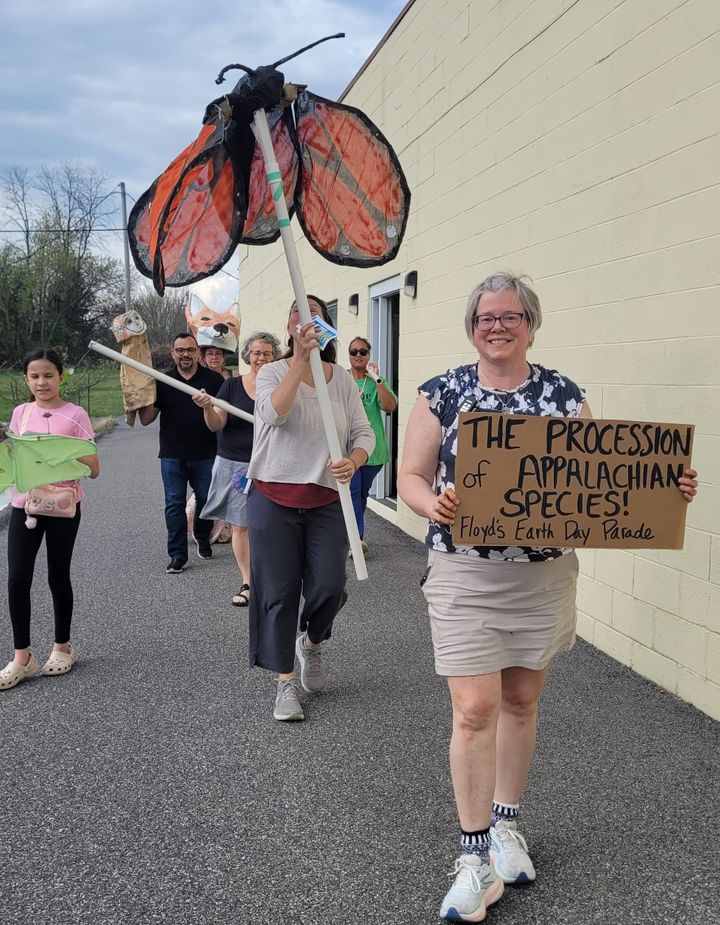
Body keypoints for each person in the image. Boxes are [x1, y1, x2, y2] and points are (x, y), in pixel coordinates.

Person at [397, 272, 698, 922]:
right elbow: (411, 477)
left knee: (521, 699)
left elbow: (603, 478)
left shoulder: (562, 394)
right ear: (471, 326)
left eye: (510, 315)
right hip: (466, 573)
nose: (497, 325)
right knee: (474, 708)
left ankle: (507, 824)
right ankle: (473, 856)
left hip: (542, 575)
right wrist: (436, 503)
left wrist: (661, 486)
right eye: (485, 316)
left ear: (531, 322)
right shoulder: (442, 392)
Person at [246, 295, 375, 722]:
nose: (305, 320)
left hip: (326, 499)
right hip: (273, 496)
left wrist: (353, 461)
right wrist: (299, 360)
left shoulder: (341, 380)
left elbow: (364, 434)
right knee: (279, 592)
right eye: (297, 314)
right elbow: (272, 414)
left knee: (330, 586)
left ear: (327, 326)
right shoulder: (272, 372)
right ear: (289, 326)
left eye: (314, 315)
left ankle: (312, 643)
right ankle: (284, 682)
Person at [0, 348, 100, 691]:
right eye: (34, 376)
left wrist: (57, 453)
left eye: (48, 375)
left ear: (60, 377)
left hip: (62, 506)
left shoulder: (76, 415)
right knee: (17, 579)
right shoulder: (20, 414)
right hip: (25, 505)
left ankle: (62, 646)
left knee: (58, 574)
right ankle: (22, 657)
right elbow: (15, 462)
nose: (41, 382)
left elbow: (93, 467)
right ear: (26, 379)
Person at [194, 331, 282, 607]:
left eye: (267, 353)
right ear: (247, 356)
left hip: (271, 463)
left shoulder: (280, 388)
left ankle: (272, 578)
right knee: (241, 526)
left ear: (275, 357)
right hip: (235, 465)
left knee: (270, 525)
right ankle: (248, 582)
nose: (261, 358)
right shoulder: (231, 387)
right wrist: (208, 408)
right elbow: (215, 424)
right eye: (256, 352)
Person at [139, 332, 224, 573]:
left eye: (190, 349)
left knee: (207, 500)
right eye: (180, 350)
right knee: (174, 504)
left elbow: (222, 416)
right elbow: (147, 419)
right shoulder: (161, 381)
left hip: (206, 452)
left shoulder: (214, 380)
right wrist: (136, 399)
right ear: (172, 353)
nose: (185, 354)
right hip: (172, 454)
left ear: (198, 353)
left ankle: (202, 535)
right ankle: (177, 554)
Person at [347, 337, 398, 552]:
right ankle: (355, 540)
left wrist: (377, 379)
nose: (358, 355)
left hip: (374, 451)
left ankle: (352, 535)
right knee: (352, 492)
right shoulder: (343, 379)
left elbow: (390, 406)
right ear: (349, 355)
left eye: (363, 352)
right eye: (354, 352)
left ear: (369, 355)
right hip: (349, 450)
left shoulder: (376, 381)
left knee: (360, 494)